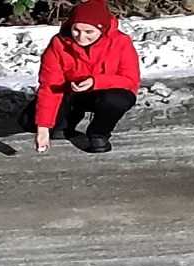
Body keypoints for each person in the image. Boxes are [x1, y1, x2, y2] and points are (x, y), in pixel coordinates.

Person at [18, 0, 141, 153]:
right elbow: (50, 86)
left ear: (102, 30)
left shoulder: (121, 42)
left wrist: (96, 82)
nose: (81, 37)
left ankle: (98, 133)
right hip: (70, 94)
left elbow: (130, 81)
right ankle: (65, 124)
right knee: (28, 121)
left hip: (104, 94)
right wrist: (43, 128)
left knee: (119, 99)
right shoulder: (58, 44)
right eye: (76, 30)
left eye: (89, 32)